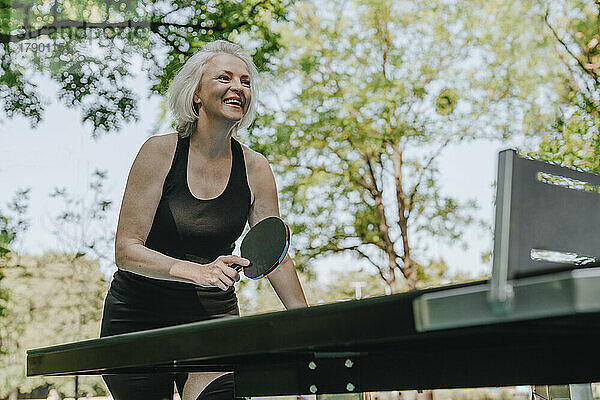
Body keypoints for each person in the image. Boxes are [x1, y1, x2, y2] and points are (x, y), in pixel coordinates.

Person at [100, 40, 308, 400]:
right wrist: (197, 271)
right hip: (138, 316)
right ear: (196, 93)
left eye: (245, 81)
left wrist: (310, 327)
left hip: (212, 317)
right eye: (224, 77)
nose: (238, 87)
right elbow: (126, 250)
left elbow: (274, 255)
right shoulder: (160, 152)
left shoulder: (255, 167)